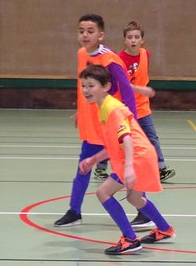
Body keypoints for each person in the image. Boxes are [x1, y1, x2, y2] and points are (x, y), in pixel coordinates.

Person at [77, 64, 175, 254]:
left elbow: (126, 137)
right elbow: (114, 144)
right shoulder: (103, 107)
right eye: (83, 85)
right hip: (139, 155)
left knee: (103, 193)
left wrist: (129, 167)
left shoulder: (112, 108)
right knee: (134, 198)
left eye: (91, 85)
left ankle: (130, 239)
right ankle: (165, 229)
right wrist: (93, 160)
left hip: (136, 157)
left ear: (106, 86)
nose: (86, 90)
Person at [53, 14, 137, 228]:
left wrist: (131, 122)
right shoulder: (82, 53)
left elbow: (127, 92)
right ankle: (74, 211)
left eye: (90, 31)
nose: (85, 35)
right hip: (92, 126)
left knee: (124, 171)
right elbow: (85, 87)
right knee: (83, 167)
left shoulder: (110, 60)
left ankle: (143, 211)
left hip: (112, 126)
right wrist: (81, 112)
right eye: (81, 31)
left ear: (101, 35)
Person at [94, 21, 177, 230]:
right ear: (124, 40)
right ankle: (102, 167)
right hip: (127, 106)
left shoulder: (145, 55)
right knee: (121, 142)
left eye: (136, 37)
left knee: (145, 142)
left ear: (142, 40)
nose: (133, 40)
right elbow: (123, 84)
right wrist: (140, 90)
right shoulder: (118, 60)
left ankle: (159, 170)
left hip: (142, 108)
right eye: (129, 37)